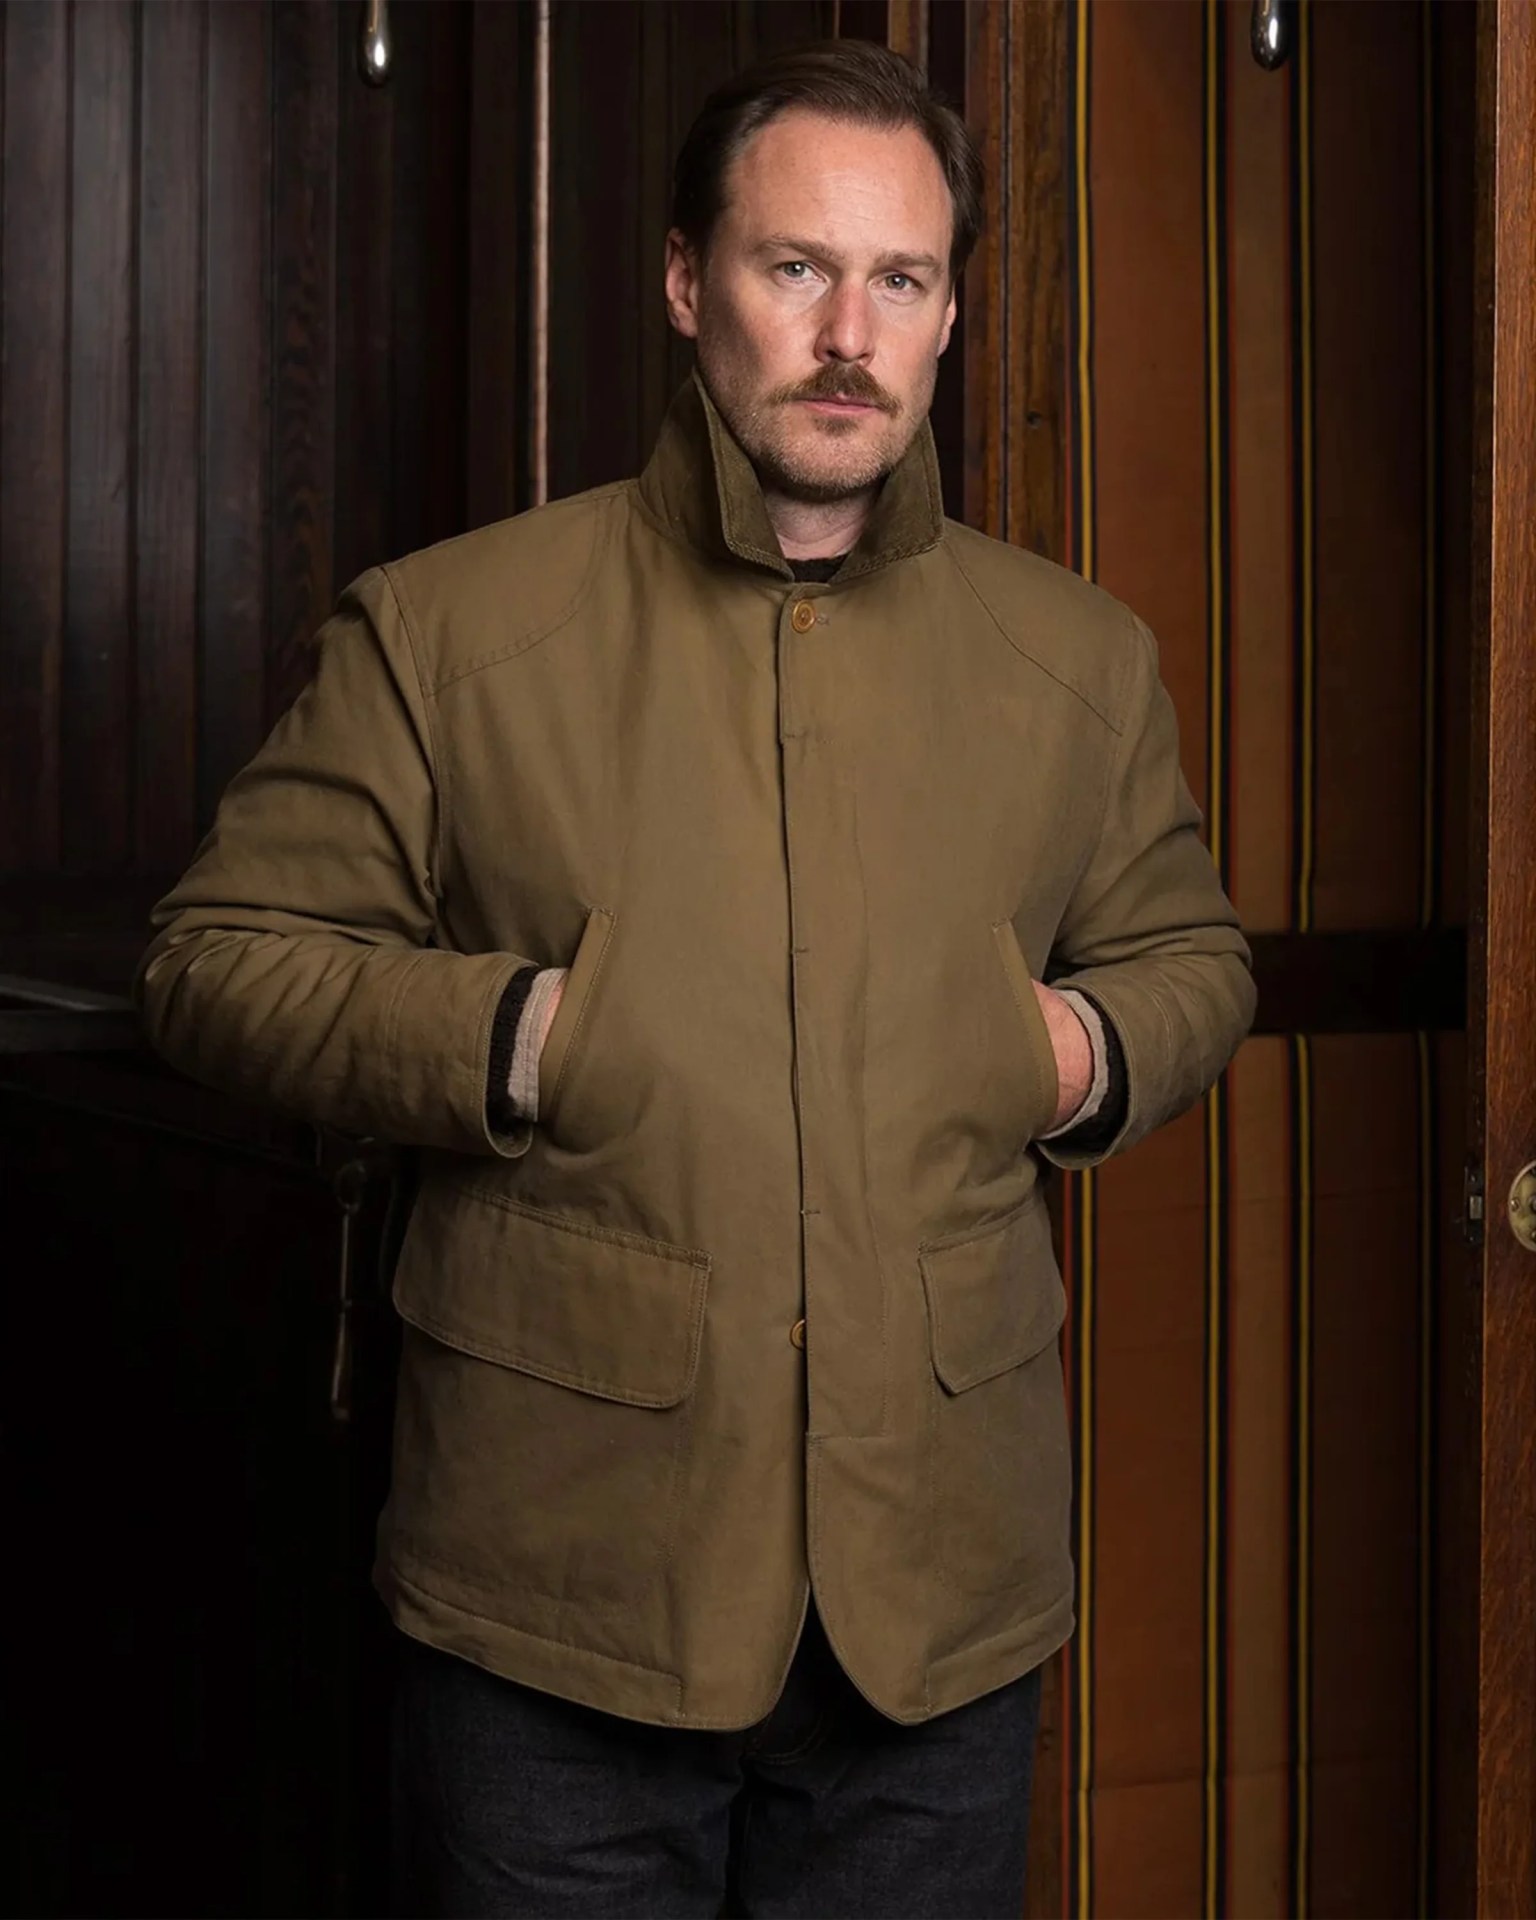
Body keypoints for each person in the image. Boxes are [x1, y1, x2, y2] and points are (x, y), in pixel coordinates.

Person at [137, 39, 1254, 1920]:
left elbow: (1190, 958)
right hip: (560, 1597)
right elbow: (213, 961)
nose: (848, 330)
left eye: (899, 280)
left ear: (951, 311)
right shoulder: (450, 629)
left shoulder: (1079, 663)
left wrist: (1071, 1051)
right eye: (792, 266)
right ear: (683, 283)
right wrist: (518, 1035)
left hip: (940, 1604)